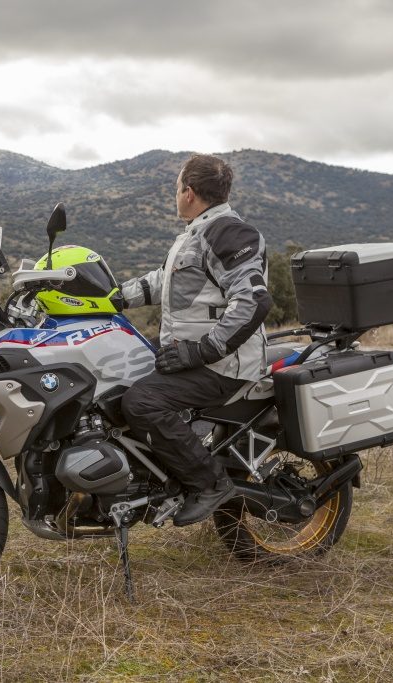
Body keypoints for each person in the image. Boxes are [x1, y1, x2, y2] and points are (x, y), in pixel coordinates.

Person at [120, 153, 272, 526]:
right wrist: (112, 297)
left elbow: (253, 301)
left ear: (189, 192)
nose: (176, 195)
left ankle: (210, 483)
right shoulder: (198, 233)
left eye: (177, 188)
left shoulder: (229, 234)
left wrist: (199, 352)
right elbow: (164, 281)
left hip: (223, 365)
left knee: (141, 402)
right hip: (196, 358)